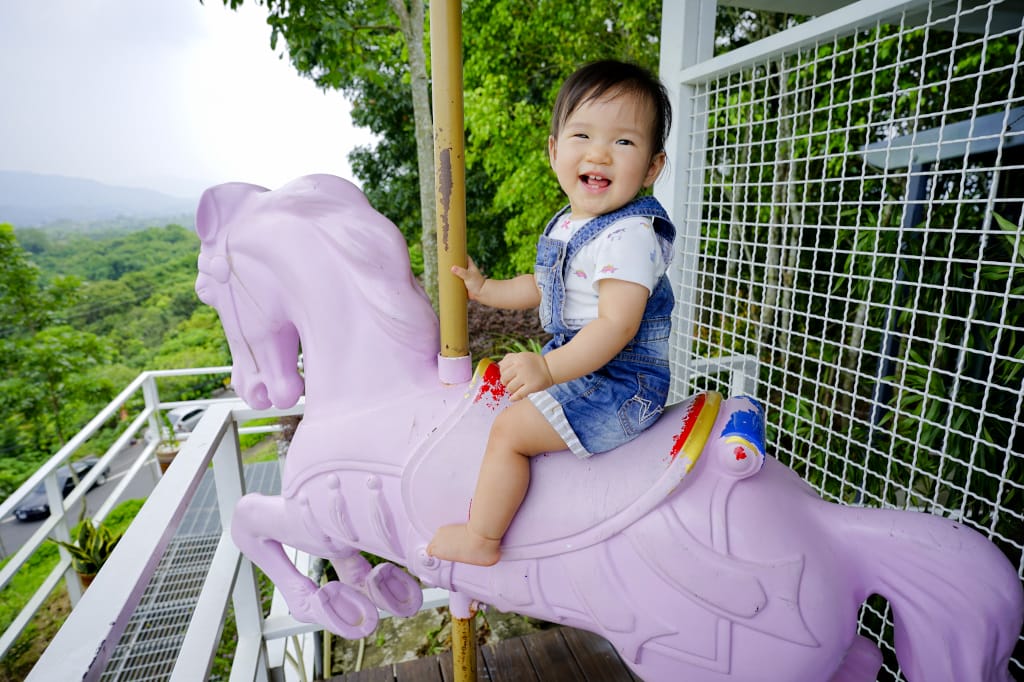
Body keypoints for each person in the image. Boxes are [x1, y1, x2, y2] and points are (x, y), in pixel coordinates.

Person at [427, 60, 676, 566]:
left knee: (510, 431)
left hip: (620, 381)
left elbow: (616, 325)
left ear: (652, 166)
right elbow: (542, 286)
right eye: (582, 134)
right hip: (583, 365)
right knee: (495, 408)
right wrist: (485, 287)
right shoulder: (570, 225)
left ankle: (483, 539)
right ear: (554, 150)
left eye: (624, 142)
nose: (600, 152)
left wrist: (546, 368)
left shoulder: (629, 236)